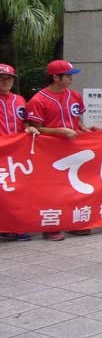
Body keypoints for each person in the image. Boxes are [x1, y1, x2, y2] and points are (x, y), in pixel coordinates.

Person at [27, 60, 98, 241]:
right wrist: (59, 131)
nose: (71, 79)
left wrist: (85, 129)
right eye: (68, 76)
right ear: (55, 77)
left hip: (73, 149)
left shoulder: (74, 96)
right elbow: (36, 128)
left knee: (75, 185)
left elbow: (77, 121)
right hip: (50, 150)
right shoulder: (39, 99)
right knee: (53, 188)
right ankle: (51, 225)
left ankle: (74, 221)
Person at [0, 64, 36, 241]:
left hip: (16, 153)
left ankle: (13, 226)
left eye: (9, 78)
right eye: (2, 77)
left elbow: (26, 123)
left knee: (14, 190)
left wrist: (29, 129)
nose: (5, 80)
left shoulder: (20, 100)